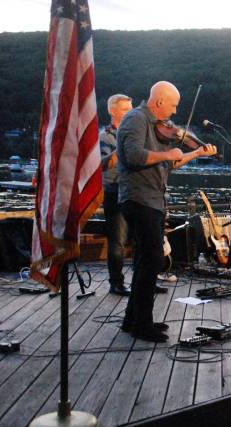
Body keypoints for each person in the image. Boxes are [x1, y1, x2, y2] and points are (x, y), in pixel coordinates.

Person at [117, 81, 217, 342]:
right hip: (139, 199)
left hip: (153, 200)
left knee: (144, 262)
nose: (174, 113)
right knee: (151, 262)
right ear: (159, 102)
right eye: (172, 105)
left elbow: (169, 165)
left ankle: (133, 320)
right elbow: (134, 156)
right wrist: (168, 153)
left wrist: (193, 153)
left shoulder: (158, 129)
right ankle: (142, 325)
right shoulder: (135, 119)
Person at [99, 94, 133, 296]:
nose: (130, 113)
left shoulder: (136, 134)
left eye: (131, 109)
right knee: (117, 241)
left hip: (134, 192)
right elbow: (103, 164)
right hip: (114, 192)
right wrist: (124, 143)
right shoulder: (104, 137)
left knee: (141, 240)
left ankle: (144, 280)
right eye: (125, 110)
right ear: (113, 111)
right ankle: (116, 283)